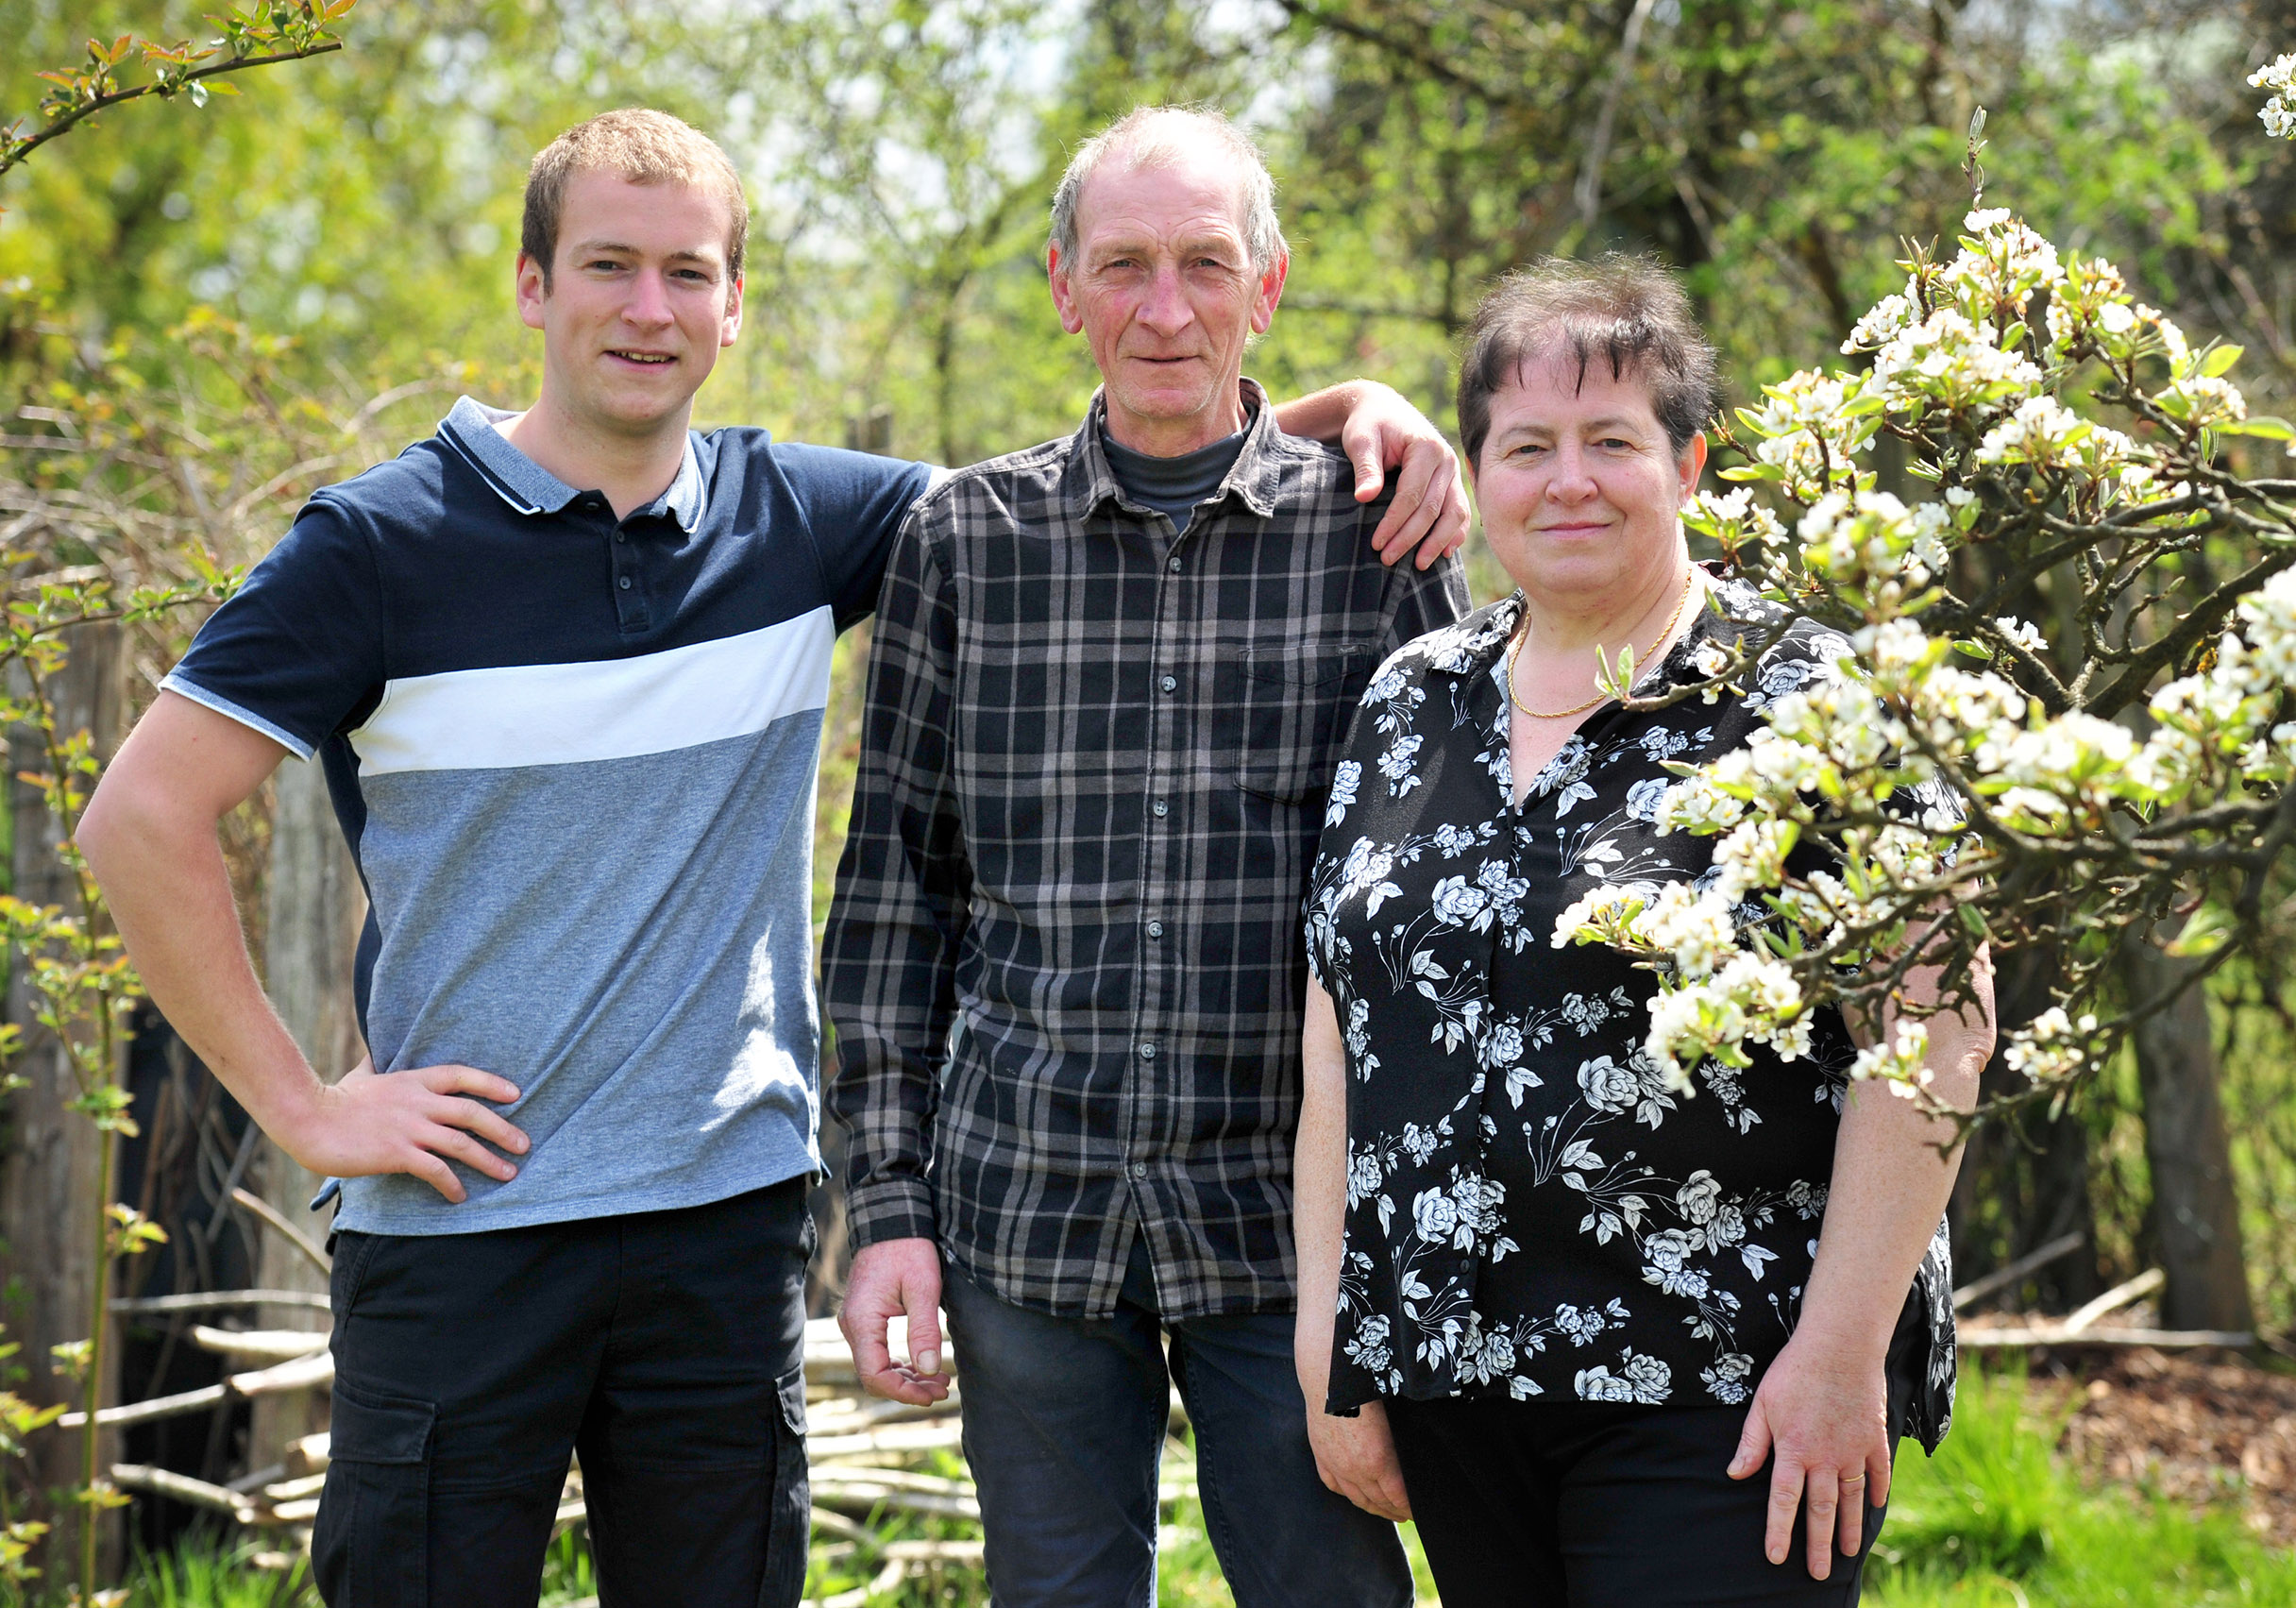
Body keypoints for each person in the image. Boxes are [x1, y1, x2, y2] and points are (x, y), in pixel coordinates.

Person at [76, 108, 1464, 1608]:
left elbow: (1133, 468)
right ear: (533, 285)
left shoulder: (806, 518)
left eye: (689, 272)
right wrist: (302, 1105)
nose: (649, 310)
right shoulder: (381, 544)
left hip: (725, 1233)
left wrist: (1351, 408)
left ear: (736, 302)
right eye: (609, 265)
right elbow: (139, 819)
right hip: (473, 1229)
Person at [824, 106, 1470, 1608]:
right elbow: (892, 903)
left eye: (1203, 263)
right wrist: (887, 1215)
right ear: (1063, 285)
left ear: (1270, 282)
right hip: (1025, 1208)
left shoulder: (1379, 535)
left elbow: (1443, 909)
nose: (1163, 308)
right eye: (1122, 264)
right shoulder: (963, 542)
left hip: (1294, 1231)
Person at [1292, 256, 1997, 1608]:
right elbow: (1342, 1031)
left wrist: (1842, 1355)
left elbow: (1937, 1025)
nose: (1568, 481)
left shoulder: (1816, 695)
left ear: (1689, 462)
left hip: (1730, 1387)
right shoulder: (1409, 699)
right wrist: (1337, 1338)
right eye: (1527, 445)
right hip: (1455, 1380)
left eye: (1612, 441)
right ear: (1478, 471)